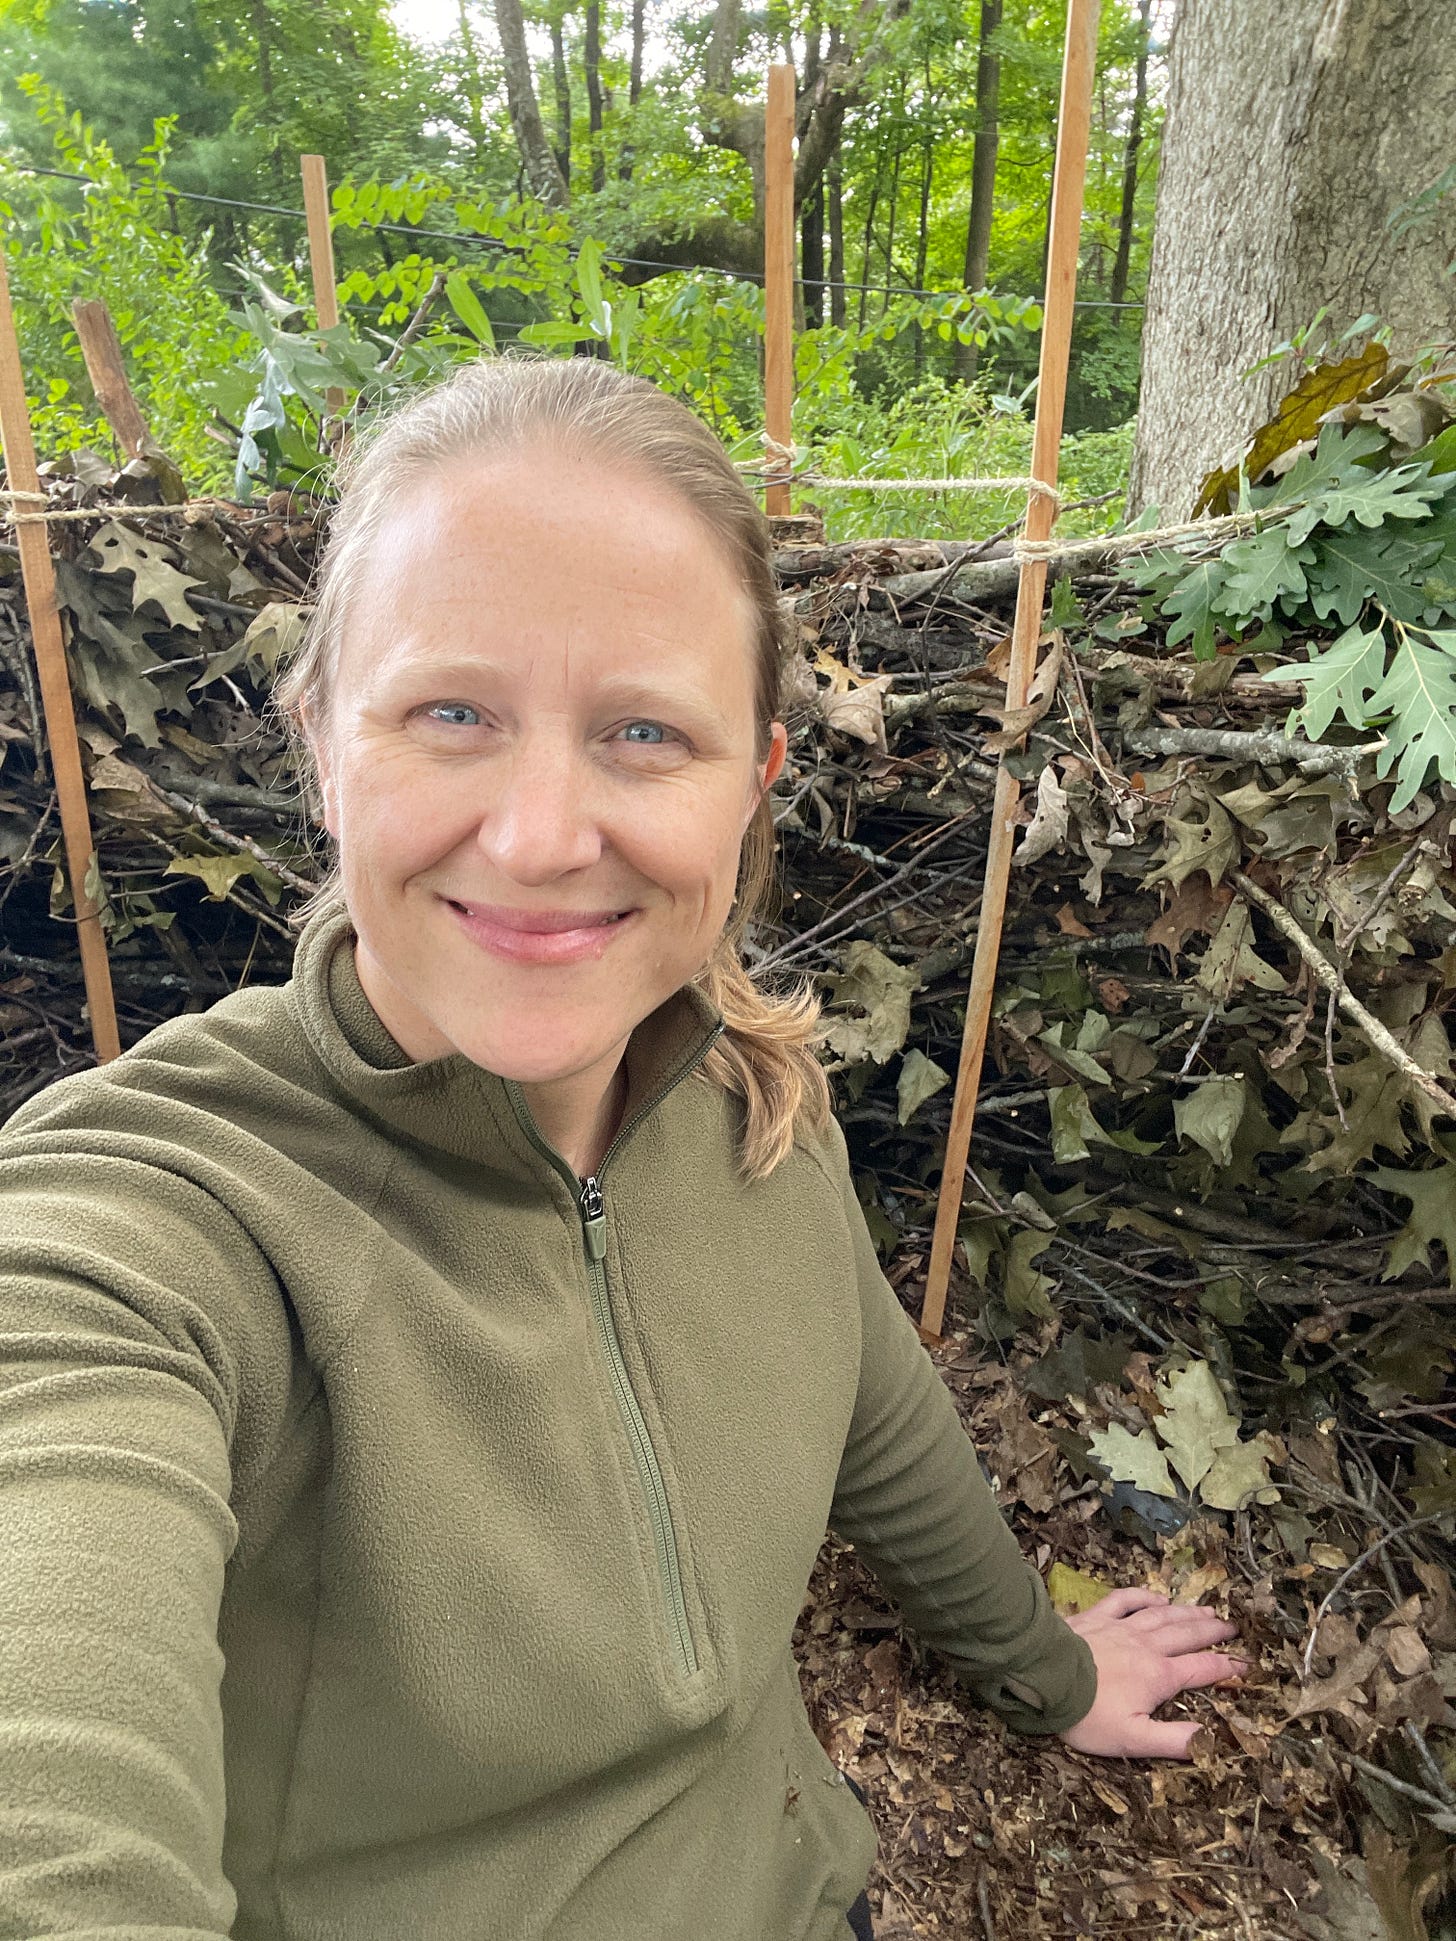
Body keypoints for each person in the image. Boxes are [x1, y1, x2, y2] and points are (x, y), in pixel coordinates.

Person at [0, 355, 1250, 1941]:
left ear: (754, 782)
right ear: (322, 740)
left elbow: (871, 1404)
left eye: (646, 733)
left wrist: (1048, 1665)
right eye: (451, 711)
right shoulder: (145, 1227)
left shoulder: (750, 1106)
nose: (537, 835)